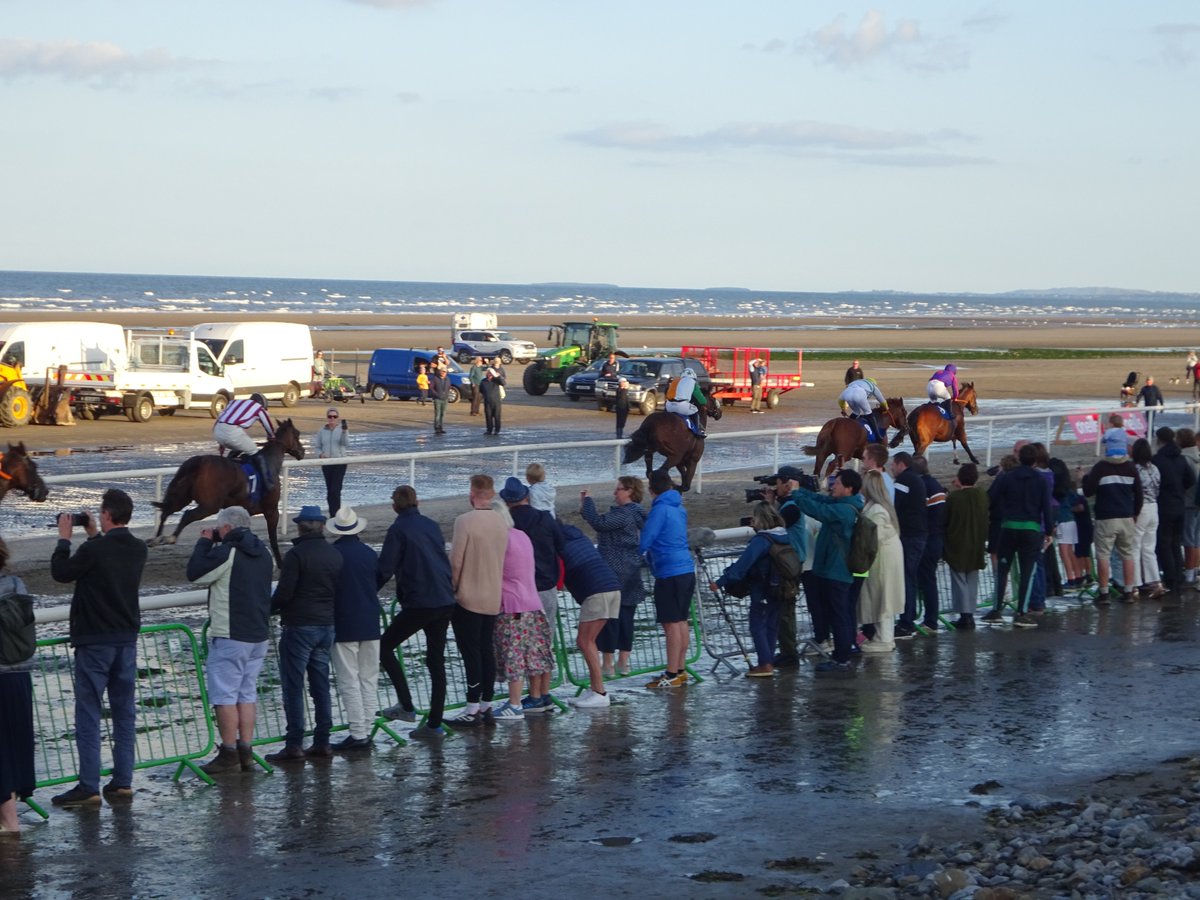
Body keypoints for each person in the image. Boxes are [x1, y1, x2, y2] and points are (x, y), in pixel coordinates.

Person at [49, 489, 147, 806]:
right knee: (124, 714)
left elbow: (61, 573)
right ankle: (122, 781)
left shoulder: (95, 550)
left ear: (106, 514)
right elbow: (106, 560)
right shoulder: (138, 548)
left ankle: (88, 786)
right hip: (126, 640)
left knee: (89, 715)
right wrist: (93, 534)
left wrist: (64, 539)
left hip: (94, 642)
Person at [186, 506, 273, 774]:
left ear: (226, 528)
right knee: (246, 693)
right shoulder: (264, 552)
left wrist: (204, 542)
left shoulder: (228, 552)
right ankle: (245, 749)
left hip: (231, 634)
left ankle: (228, 752)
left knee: (224, 695)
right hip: (258, 634)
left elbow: (195, 573)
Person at [375, 486, 457, 740]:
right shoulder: (431, 525)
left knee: (383, 646)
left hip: (421, 600)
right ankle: (434, 723)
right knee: (436, 661)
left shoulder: (398, 529)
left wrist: (366, 593)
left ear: (394, 507)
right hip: (444, 598)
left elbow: (385, 569)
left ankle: (407, 705)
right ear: (417, 502)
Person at [268, 506, 342, 762]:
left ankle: (294, 743)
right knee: (321, 685)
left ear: (300, 527)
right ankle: (323, 740)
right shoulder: (334, 554)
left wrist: (269, 609)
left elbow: (285, 593)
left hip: (299, 625)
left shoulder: (296, 555)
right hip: (326, 624)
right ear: (321, 526)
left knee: (293, 686)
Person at [447, 475, 509, 726]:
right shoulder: (501, 522)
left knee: (471, 651)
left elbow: (456, 561)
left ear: (472, 493)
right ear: (491, 494)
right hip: (492, 595)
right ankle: (486, 703)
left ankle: (472, 706)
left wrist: (453, 589)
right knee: (485, 650)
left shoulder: (464, 521)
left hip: (468, 596)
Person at [788, 469, 864, 672]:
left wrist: (796, 494)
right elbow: (821, 500)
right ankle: (843, 654)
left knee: (839, 615)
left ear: (848, 488)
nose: (833, 486)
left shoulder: (844, 511)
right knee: (840, 614)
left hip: (837, 570)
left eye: (837, 483)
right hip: (835, 569)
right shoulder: (846, 503)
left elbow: (818, 511)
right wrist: (801, 490)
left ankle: (841, 658)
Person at [489, 500, 555, 721]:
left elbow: (492, 571)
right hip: (532, 602)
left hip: (511, 605)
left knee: (513, 654)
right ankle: (538, 697)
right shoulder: (521, 535)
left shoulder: (499, 540)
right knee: (535, 653)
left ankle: (514, 703)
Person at [712, 502, 792, 675]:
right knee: (772, 625)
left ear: (761, 519)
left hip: (763, 589)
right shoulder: (784, 536)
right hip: (781, 588)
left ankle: (765, 663)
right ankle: (768, 661)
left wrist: (720, 582)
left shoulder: (762, 540)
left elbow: (743, 565)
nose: (752, 521)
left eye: (754, 518)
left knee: (757, 625)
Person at [581, 476, 647, 678]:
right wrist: (585, 506)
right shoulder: (638, 513)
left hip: (615, 570)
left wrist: (588, 501)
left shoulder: (624, 514)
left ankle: (608, 664)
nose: (614, 493)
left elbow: (599, 523)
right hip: (632, 569)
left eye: (618, 489)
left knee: (610, 617)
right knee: (627, 616)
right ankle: (623, 662)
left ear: (629, 491)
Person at [327, 507, 381, 751]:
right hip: (370, 621)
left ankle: (358, 732)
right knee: (369, 678)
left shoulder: (334, 554)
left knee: (349, 680)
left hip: (344, 622)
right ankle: (366, 728)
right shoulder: (369, 553)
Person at [986, 444, 1055, 626]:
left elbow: (991, 498)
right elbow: (1046, 508)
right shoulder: (1040, 480)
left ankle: (996, 609)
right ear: (1035, 461)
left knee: (1002, 570)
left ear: (1019, 458)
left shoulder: (1006, 477)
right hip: (1031, 528)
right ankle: (1021, 612)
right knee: (1027, 572)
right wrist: (1049, 531)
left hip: (1008, 526)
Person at [641, 469, 695, 688]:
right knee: (681, 621)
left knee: (670, 624)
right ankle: (680, 670)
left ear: (651, 490)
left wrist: (637, 554)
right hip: (686, 568)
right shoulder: (679, 508)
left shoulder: (659, 510)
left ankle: (671, 673)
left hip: (668, 571)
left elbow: (646, 539)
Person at [560, 523, 621, 706]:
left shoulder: (556, 543)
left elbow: (558, 579)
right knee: (589, 641)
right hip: (612, 585)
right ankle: (595, 689)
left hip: (596, 591)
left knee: (585, 641)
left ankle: (600, 692)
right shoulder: (577, 535)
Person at [501, 476, 564, 643]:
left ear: (506, 502)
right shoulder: (544, 518)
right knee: (545, 641)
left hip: (518, 592)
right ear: (527, 497)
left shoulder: (508, 526)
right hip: (546, 584)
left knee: (520, 643)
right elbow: (561, 546)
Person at [0, 538, 34, 833]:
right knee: (16, 744)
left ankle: (10, 823)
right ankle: (12, 817)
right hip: (20, 671)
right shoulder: (16, 584)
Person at [764, 466, 809, 667]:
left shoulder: (791, 507)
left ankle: (789, 653)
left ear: (787, 484)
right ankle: (787, 650)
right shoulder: (791, 505)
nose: (776, 487)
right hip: (791, 562)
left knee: (785, 609)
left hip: (789, 564)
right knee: (785, 609)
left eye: (778, 483)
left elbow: (773, 528)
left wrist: (768, 505)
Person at [857, 470, 904, 653]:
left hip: (883, 558)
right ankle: (883, 636)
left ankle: (884, 639)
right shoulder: (880, 507)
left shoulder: (876, 510)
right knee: (884, 595)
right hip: (886, 555)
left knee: (883, 595)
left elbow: (872, 537)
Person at [942, 464, 989, 629]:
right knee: (972, 579)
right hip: (977, 541)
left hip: (958, 542)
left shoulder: (954, 498)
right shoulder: (982, 495)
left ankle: (965, 615)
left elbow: (945, 519)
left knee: (959, 580)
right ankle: (970, 613)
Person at [890, 452, 928, 639]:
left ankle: (906, 622)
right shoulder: (916, 479)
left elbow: (894, 505)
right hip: (919, 534)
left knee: (906, 578)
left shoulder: (904, 480)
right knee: (909, 578)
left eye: (893, 464)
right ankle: (908, 618)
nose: (891, 468)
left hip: (910, 535)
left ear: (901, 464)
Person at [1153, 426, 1195, 595]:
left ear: (1159, 440)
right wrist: (1180, 489)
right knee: (1176, 543)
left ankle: (1170, 577)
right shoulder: (1181, 458)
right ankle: (1178, 575)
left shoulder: (1157, 460)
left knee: (1164, 543)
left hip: (1164, 505)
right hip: (1179, 504)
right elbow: (1190, 479)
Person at [911, 456, 946, 632]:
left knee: (927, 580)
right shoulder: (935, 484)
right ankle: (930, 617)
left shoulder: (922, 487)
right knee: (928, 579)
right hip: (936, 537)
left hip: (927, 538)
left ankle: (930, 620)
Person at [213, 393, 275, 491]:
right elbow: (268, 425)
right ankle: (267, 483)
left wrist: (221, 444)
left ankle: (228, 467)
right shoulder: (259, 408)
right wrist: (271, 436)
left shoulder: (234, 402)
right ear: (261, 404)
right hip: (231, 432)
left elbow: (221, 417)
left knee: (241, 445)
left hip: (217, 430)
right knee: (254, 451)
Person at [1129, 438, 1162, 601]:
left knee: (1135, 546)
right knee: (1149, 547)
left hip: (1141, 508)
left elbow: (1134, 492)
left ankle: (1135, 584)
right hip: (1154, 507)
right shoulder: (1154, 468)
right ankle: (1155, 581)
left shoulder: (1134, 469)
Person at [314, 407, 349, 515]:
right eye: (330, 416)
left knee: (335, 490)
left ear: (337, 418)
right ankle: (332, 514)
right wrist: (320, 454)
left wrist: (344, 432)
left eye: (334, 416)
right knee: (330, 491)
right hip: (326, 463)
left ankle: (337, 515)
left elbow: (345, 443)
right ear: (327, 418)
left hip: (340, 463)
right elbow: (317, 447)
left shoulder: (342, 429)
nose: (332, 418)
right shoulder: (321, 431)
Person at [1178, 428, 1200, 590]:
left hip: (1188, 502)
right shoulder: (1197, 457)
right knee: (1196, 539)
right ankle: (1194, 570)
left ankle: (1189, 573)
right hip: (1197, 502)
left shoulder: (1184, 459)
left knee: (1188, 539)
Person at [838, 377, 888, 441]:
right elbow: (882, 401)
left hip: (847, 394)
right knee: (868, 413)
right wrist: (886, 408)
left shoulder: (854, 383)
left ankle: (847, 426)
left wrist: (843, 409)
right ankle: (878, 436)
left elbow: (840, 400)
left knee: (856, 412)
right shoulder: (873, 386)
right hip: (859, 394)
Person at [665, 367, 707, 437]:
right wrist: (704, 403)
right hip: (681, 406)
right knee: (695, 410)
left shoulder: (675, 380)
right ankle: (697, 431)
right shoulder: (693, 382)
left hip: (668, 405)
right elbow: (700, 397)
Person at [479, 366, 504, 436]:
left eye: (491, 374)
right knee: (488, 416)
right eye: (488, 373)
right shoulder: (483, 381)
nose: (490, 375)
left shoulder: (496, 380)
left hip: (496, 402)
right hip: (487, 402)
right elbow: (481, 390)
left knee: (497, 416)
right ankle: (489, 430)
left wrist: (498, 376)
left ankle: (497, 430)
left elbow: (503, 383)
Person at [429, 363, 450, 435]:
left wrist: (446, 395)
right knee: (437, 414)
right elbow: (431, 388)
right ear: (440, 371)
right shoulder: (435, 378)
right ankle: (437, 428)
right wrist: (436, 395)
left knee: (443, 414)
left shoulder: (448, 379)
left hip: (445, 399)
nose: (444, 373)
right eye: (443, 371)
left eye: (445, 372)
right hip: (437, 399)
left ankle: (441, 427)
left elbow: (448, 387)